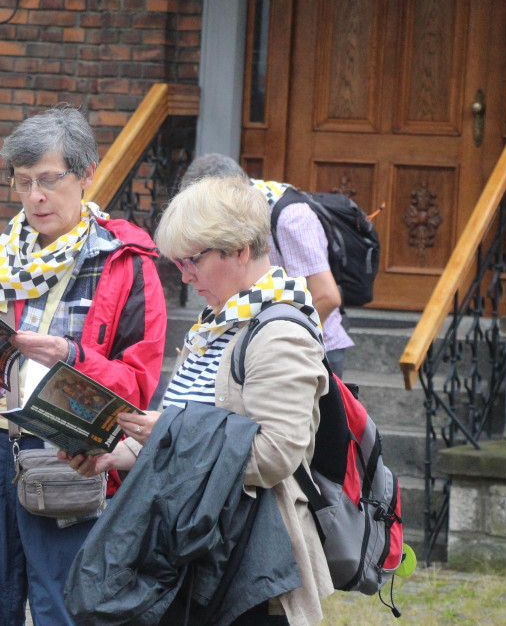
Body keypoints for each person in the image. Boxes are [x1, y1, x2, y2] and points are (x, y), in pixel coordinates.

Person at [0, 105, 167, 626]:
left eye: (50, 180)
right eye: (24, 181)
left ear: (87, 176)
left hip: (68, 457)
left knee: (65, 610)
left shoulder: (126, 266)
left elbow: (139, 387)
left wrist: (70, 357)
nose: (36, 196)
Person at [64, 177, 333, 625]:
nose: (186, 277)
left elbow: (276, 453)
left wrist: (169, 434)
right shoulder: (222, 320)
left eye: (193, 261)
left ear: (241, 249)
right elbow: (183, 425)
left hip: (245, 562)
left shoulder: (280, 332)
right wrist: (115, 454)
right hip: (198, 543)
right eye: (179, 263)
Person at [180, 153, 353, 376]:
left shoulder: (291, 217)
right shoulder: (249, 211)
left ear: (226, 193)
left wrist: (270, 340)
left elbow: (327, 297)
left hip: (311, 351)